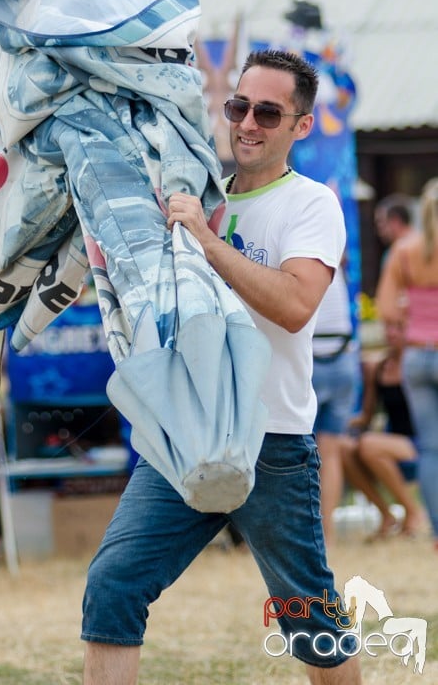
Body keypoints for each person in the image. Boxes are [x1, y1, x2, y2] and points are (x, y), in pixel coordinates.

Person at [81, 49, 361, 684]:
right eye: (239, 106)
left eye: (269, 111)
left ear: (301, 126)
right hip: (184, 433)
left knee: (309, 620)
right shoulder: (195, 193)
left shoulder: (311, 204)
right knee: (113, 586)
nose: (248, 123)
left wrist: (207, 243)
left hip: (271, 441)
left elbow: (294, 306)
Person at [376, 177, 438, 551]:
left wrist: (410, 317)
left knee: (430, 448)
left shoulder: (405, 250)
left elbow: (385, 309)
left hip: (416, 356)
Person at [339, 330, 424, 540]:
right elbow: (366, 416)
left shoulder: (421, 366)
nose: (393, 333)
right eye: (389, 327)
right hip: (390, 441)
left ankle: (413, 512)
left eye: (399, 327)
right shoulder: (378, 369)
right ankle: (386, 514)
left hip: (421, 440)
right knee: (342, 447)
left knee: (368, 444)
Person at [311, 268, 360, 544]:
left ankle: (308, 532)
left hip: (311, 357)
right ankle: (326, 535)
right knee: (330, 454)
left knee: (294, 451)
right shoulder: (337, 269)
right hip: (344, 358)